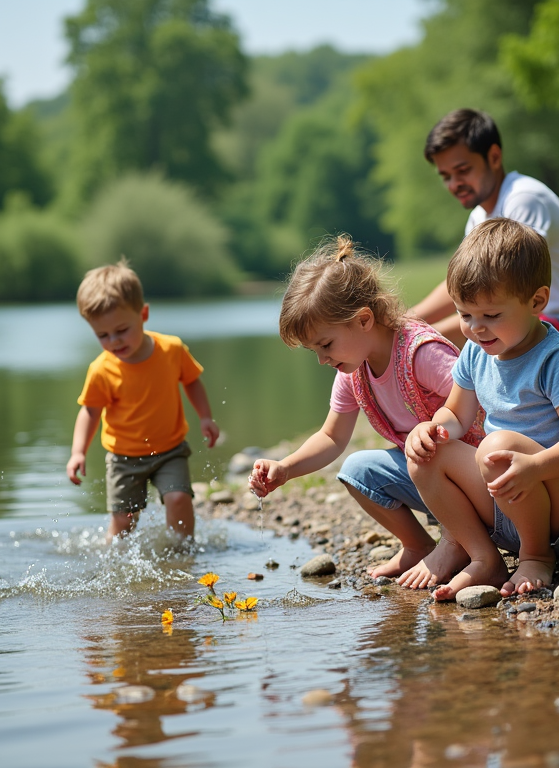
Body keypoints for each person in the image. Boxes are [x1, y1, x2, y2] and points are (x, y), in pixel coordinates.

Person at [248, 235, 483, 579]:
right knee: (358, 470)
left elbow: (483, 403)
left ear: (363, 320)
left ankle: (458, 543)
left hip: (478, 471)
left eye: (325, 345)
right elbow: (332, 437)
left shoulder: (421, 353)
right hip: (432, 476)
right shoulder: (353, 369)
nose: (322, 359)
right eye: (315, 351)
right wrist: (285, 468)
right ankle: (418, 546)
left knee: (432, 454)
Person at [405, 218, 559, 602]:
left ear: (537, 302)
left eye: (492, 315)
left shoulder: (558, 358)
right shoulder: (476, 352)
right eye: (465, 315)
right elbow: (455, 415)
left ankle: (536, 555)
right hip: (509, 497)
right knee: (425, 455)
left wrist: (535, 468)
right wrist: (432, 429)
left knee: (495, 447)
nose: (476, 328)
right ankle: (485, 558)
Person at [410, 108, 559, 373]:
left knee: (485, 343)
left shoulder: (523, 199)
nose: (454, 184)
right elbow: (463, 286)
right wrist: (411, 324)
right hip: (528, 323)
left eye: (463, 170)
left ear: (494, 157)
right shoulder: (478, 217)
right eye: (446, 176)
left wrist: (419, 336)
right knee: (476, 348)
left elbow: (495, 287)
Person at [66, 259, 220, 541]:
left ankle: (183, 554)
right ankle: (114, 561)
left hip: (170, 450)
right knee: (123, 521)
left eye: (121, 330)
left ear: (144, 314)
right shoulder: (102, 369)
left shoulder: (171, 350)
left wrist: (206, 417)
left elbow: (192, 381)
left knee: (178, 499)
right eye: (102, 335)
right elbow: (89, 412)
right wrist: (78, 451)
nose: (114, 341)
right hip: (123, 458)